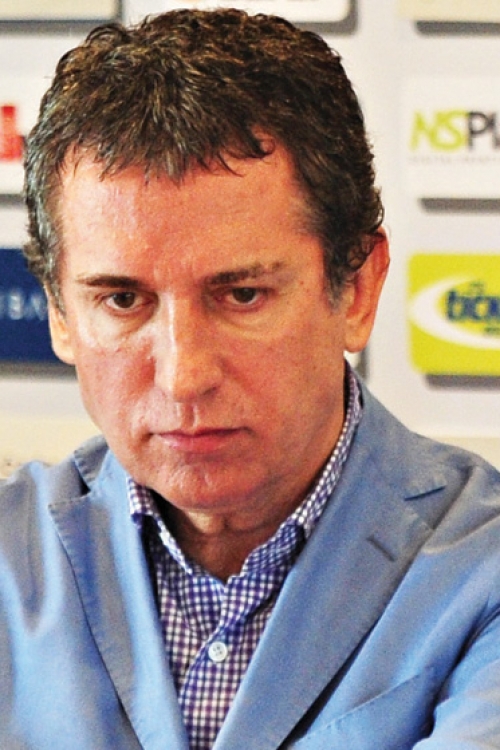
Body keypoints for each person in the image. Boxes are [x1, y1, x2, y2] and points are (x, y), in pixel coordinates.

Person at [2, 8, 500, 749]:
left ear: (357, 289)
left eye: (241, 295)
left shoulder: (484, 570)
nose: (183, 376)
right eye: (123, 300)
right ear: (59, 316)